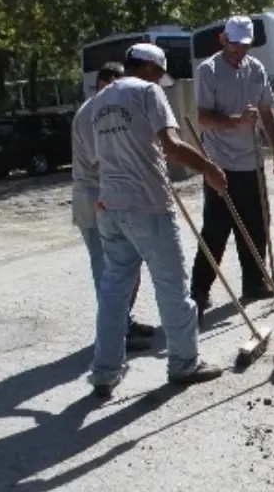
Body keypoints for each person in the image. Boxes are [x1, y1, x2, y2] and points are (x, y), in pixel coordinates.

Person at [86, 42, 230, 398]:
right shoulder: (148, 91)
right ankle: (183, 363)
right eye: (159, 74)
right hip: (148, 206)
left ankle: (104, 372)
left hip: (110, 207)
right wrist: (210, 168)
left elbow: (96, 159)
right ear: (150, 68)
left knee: (114, 293)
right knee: (172, 288)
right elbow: (170, 143)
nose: (160, 80)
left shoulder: (98, 102)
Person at [190, 15, 274, 319]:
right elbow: (203, 118)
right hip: (220, 163)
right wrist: (238, 122)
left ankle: (254, 283)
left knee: (257, 226)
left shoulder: (255, 69)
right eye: (233, 45)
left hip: (252, 161)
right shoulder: (208, 71)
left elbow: (267, 111)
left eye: (244, 46)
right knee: (216, 230)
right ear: (223, 39)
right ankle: (199, 291)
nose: (238, 51)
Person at [71, 61, 156, 353]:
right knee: (109, 273)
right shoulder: (90, 113)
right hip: (95, 200)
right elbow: (102, 160)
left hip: (111, 198)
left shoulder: (107, 111)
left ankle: (125, 323)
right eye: (118, 84)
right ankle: (117, 335)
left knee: (127, 267)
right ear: (104, 83)